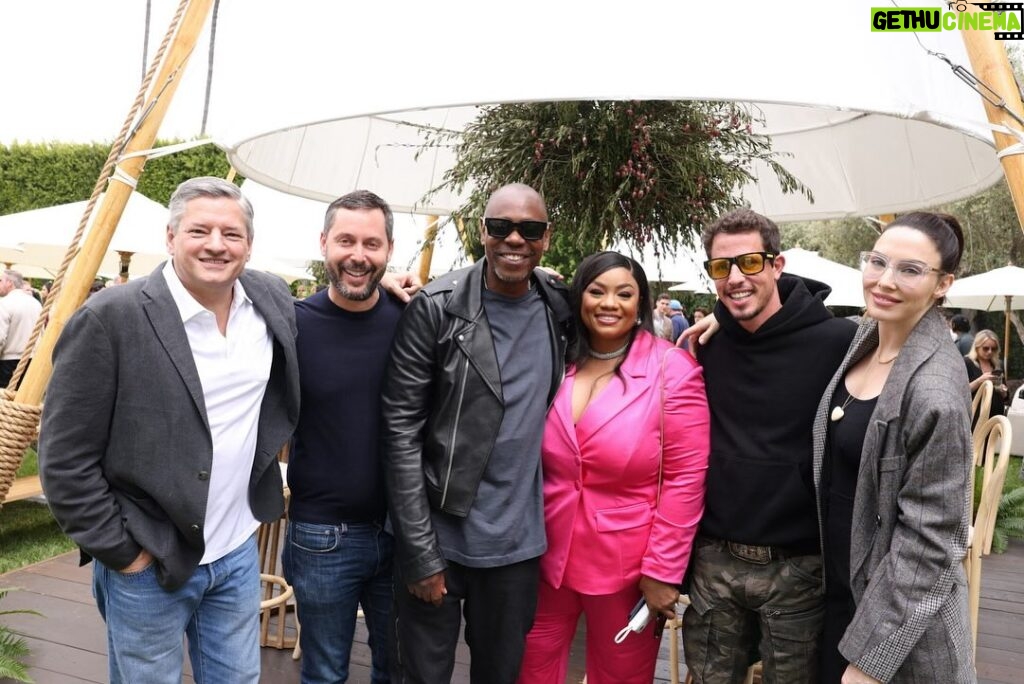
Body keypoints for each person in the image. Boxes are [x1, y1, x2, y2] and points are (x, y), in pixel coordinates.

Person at [38, 177, 301, 683]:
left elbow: (327, 325)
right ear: (171, 236)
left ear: (249, 243)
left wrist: (394, 297)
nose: (217, 245)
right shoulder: (110, 317)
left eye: (232, 233)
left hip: (237, 550)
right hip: (148, 559)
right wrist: (123, 554)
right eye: (200, 230)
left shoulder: (270, 297)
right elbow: (63, 461)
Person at [381, 183, 572, 683]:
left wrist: (718, 324)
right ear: (480, 233)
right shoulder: (437, 306)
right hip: (438, 536)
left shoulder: (559, 309)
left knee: (500, 674)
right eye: (500, 227)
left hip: (516, 545)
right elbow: (400, 431)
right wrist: (420, 552)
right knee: (422, 676)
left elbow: (624, 331)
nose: (515, 239)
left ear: (546, 238)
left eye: (529, 229)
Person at [681, 208, 857, 683]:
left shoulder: (840, 343)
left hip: (798, 566)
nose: (736, 278)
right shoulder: (704, 347)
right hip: (714, 560)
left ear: (778, 266)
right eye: (722, 268)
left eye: (751, 263)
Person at [518, 251, 710, 684]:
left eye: (624, 293)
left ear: (640, 302)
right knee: (530, 670)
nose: (609, 303)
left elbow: (685, 478)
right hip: (544, 553)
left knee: (620, 677)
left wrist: (663, 570)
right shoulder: (557, 360)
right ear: (579, 297)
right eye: (596, 291)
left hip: (627, 564)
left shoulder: (671, 370)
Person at [812, 212, 974, 683]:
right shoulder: (866, 337)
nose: (884, 281)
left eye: (909, 270)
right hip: (844, 597)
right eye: (877, 261)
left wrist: (868, 661)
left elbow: (932, 541)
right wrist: (722, 321)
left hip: (900, 630)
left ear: (943, 284)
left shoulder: (935, 390)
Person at [282, 190, 403, 684]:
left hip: (403, 533)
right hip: (321, 535)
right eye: (346, 240)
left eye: (371, 243)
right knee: (324, 672)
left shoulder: (412, 319)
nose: (358, 255)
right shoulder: (292, 323)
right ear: (323, 244)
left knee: (398, 668)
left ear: (389, 250)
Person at [0, 269, 43, 388]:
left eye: (0, 280)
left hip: (8, 363)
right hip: (31, 360)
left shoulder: (4, 303)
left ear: (9, 283)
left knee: (5, 402)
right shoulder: (36, 304)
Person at [965, 329, 1008, 417]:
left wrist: (1003, 392)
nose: (990, 352)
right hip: (975, 415)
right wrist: (980, 381)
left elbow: (1006, 396)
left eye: (993, 348)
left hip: (996, 414)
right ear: (977, 347)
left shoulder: (998, 364)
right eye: (985, 348)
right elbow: (961, 391)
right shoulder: (967, 363)